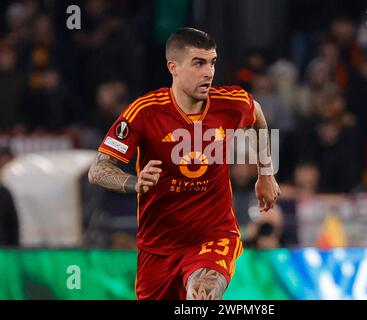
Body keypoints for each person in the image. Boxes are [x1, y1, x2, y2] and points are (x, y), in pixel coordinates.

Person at [88, 27, 281, 300]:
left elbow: (258, 116)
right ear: (173, 67)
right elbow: (98, 170)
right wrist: (133, 182)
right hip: (158, 246)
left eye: (212, 62)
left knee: (201, 293)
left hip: (214, 236)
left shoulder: (231, 103)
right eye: (199, 63)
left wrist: (266, 173)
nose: (209, 72)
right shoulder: (145, 112)